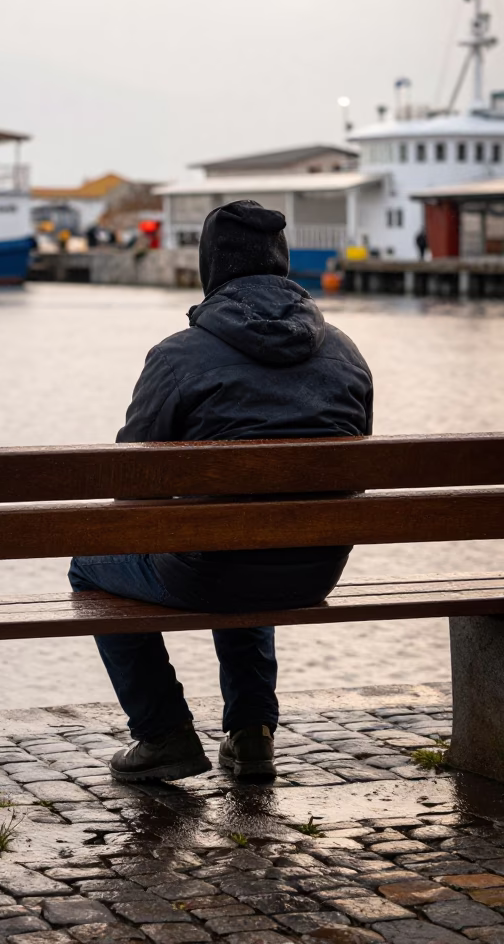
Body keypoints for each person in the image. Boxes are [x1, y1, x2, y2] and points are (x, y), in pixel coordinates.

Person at [69, 201, 373, 783]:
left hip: (213, 570)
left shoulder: (177, 356)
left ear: (211, 266)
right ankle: (252, 734)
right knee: (244, 539)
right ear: (281, 263)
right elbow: (354, 473)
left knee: (93, 565)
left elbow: (131, 490)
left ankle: (163, 734)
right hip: (317, 570)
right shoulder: (344, 352)